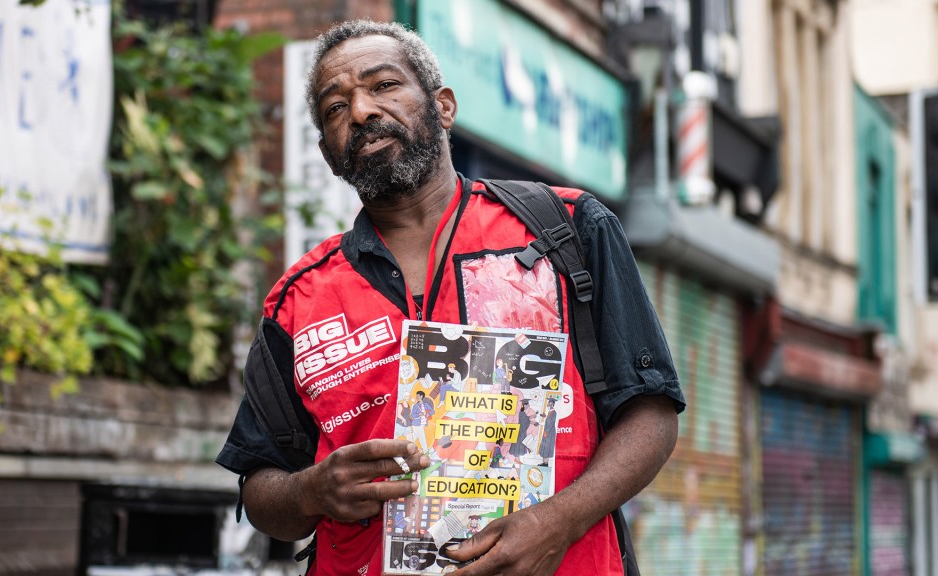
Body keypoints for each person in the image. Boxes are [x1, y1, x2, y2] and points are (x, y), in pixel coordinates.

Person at [215, 19, 685, 576]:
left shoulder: (568, 231)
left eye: (384, 85)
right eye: (335, 107)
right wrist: (314, 491)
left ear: (443, 106)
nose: (361, 111)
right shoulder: (299, 300)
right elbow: (262, 487)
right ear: (326, 150)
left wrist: (556, 523)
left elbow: (652, 414)